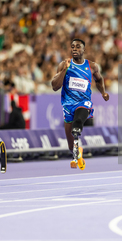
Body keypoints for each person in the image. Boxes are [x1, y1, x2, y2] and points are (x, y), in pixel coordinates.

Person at [51, 39, 109, 170]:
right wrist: (64, 71)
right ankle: (78, 153)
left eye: (78, 47)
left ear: (84, 50)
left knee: (77, 123)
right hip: (68, 106)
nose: (74, 49)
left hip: (84, 103)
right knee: (71, 148)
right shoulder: (64, 64)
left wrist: (103, 92)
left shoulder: (92, 66)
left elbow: (99, 79)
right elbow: (55, 86)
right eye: (72, 47)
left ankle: (77, 133)